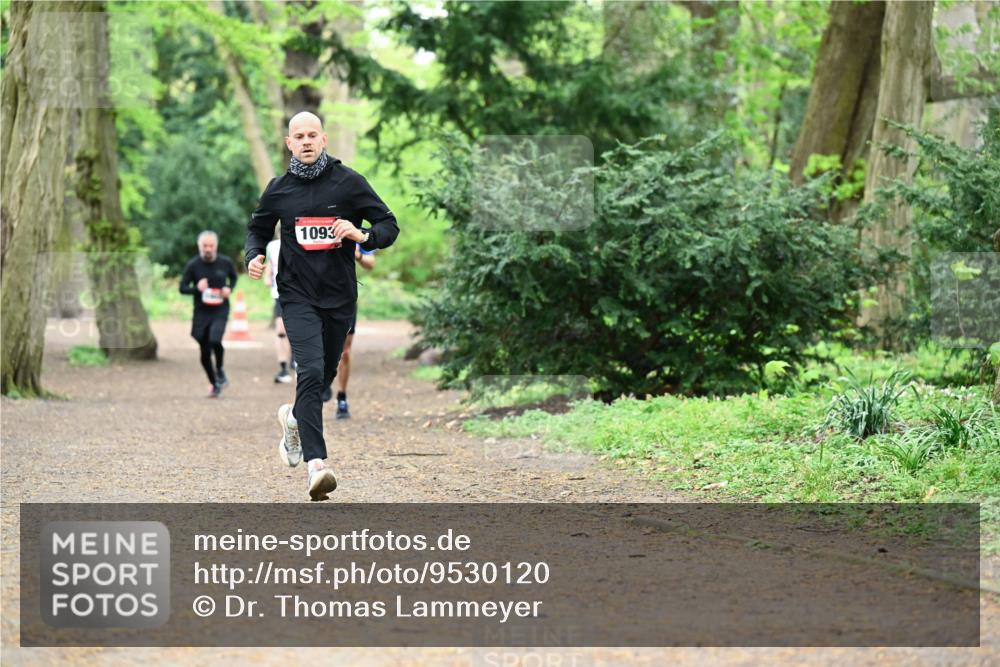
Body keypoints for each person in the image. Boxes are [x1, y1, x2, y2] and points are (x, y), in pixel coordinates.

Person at [245, 111, 399, 501]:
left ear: (324, 139)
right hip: (296, 295)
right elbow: (258, 228)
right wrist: (254, 254)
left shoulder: (348, 183)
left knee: (325, 373)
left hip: (339, 296)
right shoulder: (279, 189)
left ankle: (296, 419)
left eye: (313, 134)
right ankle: (317, 465)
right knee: (310, 370)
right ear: (290, 143)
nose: (307, 141)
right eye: (299, 136)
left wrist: (361, 233)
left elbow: (388, 225)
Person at [179, 231, 237, 398]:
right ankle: (214, 384)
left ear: (216, 246)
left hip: (220, 309)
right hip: (201, 312)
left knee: (215, 339)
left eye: (211, 245)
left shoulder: (225, 262)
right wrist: (196, 288)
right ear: (200, 247)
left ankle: (219, 369)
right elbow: (182, 288)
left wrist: (229, 289)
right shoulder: (193, 265)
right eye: (205, 246)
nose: (208, 249)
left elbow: (233, 278)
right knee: (204, 352)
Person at [323, 244, 376, 417]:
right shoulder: (313, 221)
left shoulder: (355, 230)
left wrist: (358, 255)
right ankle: (322, 383)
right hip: (315, 296)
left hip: (345, 297)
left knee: (344, 351)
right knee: (317, 346)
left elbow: (371, 263)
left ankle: (342, 398)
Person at [265, 236, 293, 384]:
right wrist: (267, 277)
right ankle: (283, 368)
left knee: (296, 329)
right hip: (280, 295)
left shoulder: (302, 239)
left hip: (300, 294)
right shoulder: (273, 245)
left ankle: (296, 360)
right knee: (281, 331)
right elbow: (270, 264)